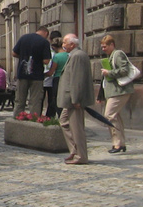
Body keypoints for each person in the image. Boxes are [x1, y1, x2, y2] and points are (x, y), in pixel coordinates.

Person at [57, 34, 96, 165]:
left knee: (77, 128)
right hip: (70, 99)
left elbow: (77, 79)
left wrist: (76, 98)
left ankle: (81, 156)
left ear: (72, 44)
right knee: (64, 122)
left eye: (65, 42)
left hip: (73, 99)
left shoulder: (78, 56)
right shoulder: (74, 55)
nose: (63, 45)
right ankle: (74, 150)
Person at [99, 34, 135, 154]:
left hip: (120, 90)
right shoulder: (109, 56)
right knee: (115, 116)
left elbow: (125, 70)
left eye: (105, 47)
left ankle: (117, 144)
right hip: (113, 91)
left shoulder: (117, 54)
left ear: (112, 45)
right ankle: (120, 143)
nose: (103, 49)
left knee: (109, 115)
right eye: (102, 47)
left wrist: (109, 73)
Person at [11, 26, 51, 116]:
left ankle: (17, 119)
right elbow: (46, 61)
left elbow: (14, 53)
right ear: (46, 33)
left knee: (20, 99)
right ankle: (34, 120)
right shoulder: (44, 42)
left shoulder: (23, 38)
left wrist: (23, 57)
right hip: (37, 75)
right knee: (35, 100)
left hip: (22, 74)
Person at [45, 37, 69, 119]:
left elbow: (51, 71)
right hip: (67, 78)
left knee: (56, 98)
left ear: (54, 47)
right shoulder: (69, 55)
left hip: (57, 79)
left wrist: (44, 74)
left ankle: (59, 116)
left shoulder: (57, 57)